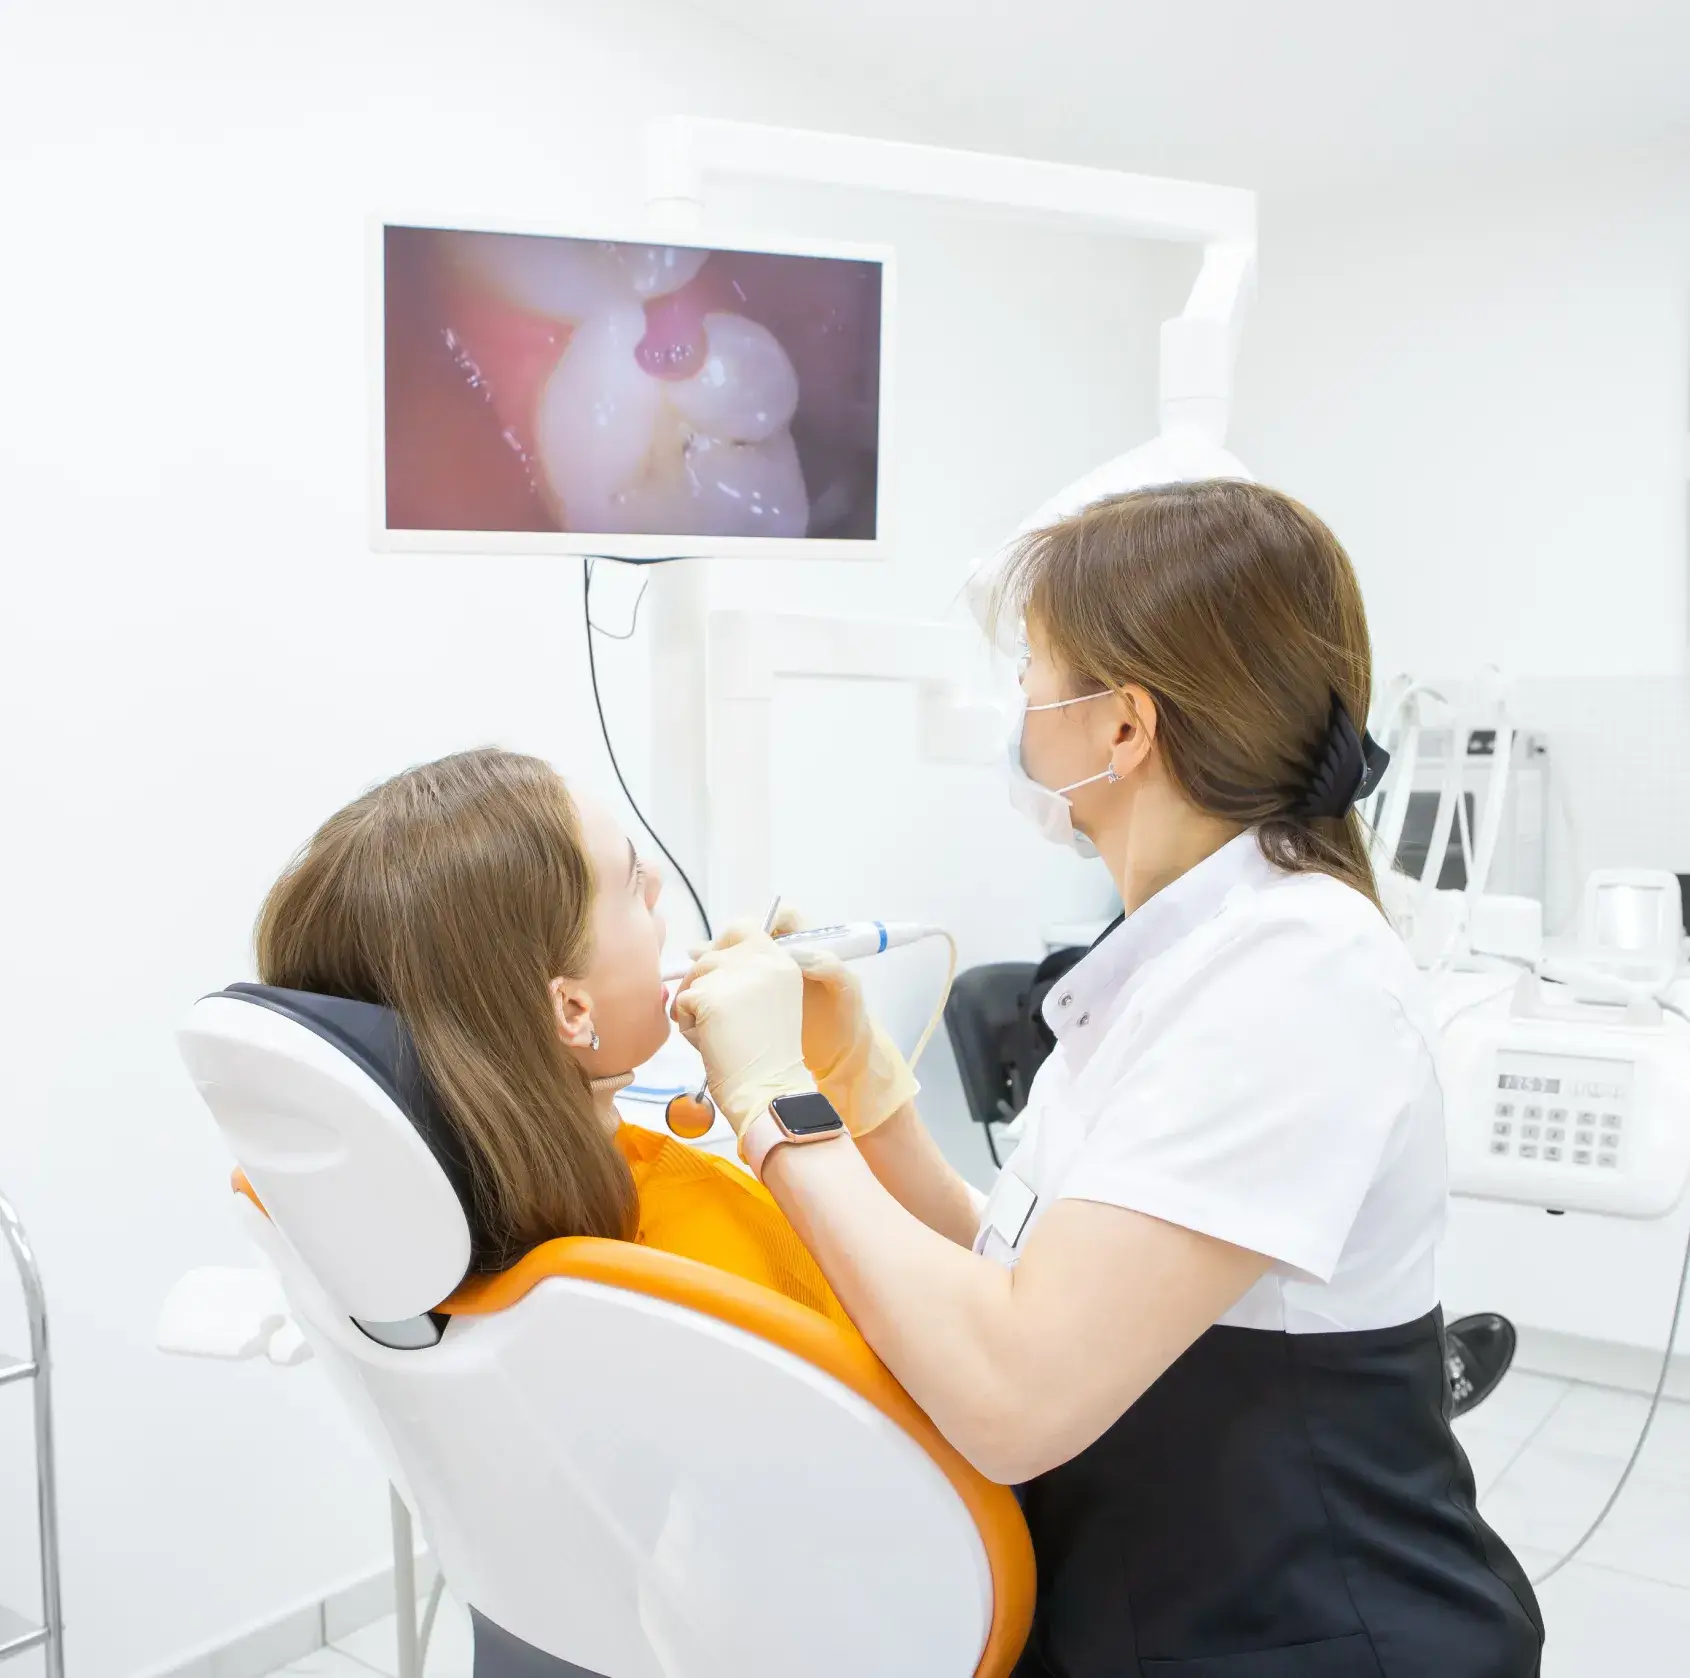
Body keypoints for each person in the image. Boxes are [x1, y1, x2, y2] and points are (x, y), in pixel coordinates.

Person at [675, 480, 1545, 1677]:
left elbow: (1017, 1389)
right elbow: (1027, 1279)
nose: (1018, 708)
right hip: (1147, 1609)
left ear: (1122, 727)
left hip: (1306, 1634)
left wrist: (777, 1104)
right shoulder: (1176, 959)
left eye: (1032, 671)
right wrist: (861, 1089)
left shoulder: (1297, 979)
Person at [253, 747, 854, 1332]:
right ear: (570, 1007)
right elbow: (939, 1364)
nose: (658, 883)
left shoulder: (443, 1249)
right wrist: (797, 1099)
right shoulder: (703, 1234)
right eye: (630, 882)